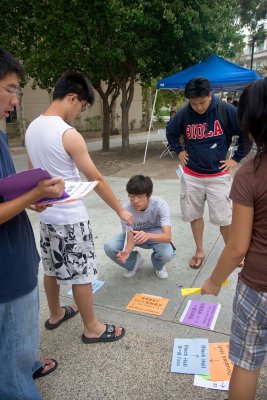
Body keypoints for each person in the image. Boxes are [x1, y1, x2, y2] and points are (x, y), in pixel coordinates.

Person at [25, 70, 133, 344]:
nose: (80, 113)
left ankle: (55, 313)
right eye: (82, 107)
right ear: (72, 97)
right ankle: (93, 328)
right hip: (71, 218)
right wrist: (120, 209)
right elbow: (95, 178)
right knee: (82, 274)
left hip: (48, 218)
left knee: (51, 268)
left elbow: (31, 175)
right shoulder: (67, 133)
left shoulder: (32, 127)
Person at [0, 48, 64, 400]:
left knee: (16, 353)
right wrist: (33, 193)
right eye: (10, 89)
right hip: (7, 277)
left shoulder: (0, 135)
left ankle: (25, 367)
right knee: (14, 370)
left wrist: (31, 196)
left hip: (16, 263)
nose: (15, 99)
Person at [201, 77, 267, 400]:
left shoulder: (249, 174)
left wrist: (214, 281)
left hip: (259, 287)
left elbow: (237, 246)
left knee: (246, 362)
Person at [166, 76, 248, 269]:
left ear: (210, 95)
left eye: (202, 102)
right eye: (194, 103)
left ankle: (232, 252)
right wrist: (179, 151)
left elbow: (245, 132)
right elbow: (171, 131)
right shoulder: (185, 113)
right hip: (192, 176)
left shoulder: (225, 110)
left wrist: (236, 158)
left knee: (224, 219)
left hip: (218, 176)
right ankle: (199, 250)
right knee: (194, 215)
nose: (198, 107)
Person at [104, 175, 175, 279]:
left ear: (149, 195)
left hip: (155, 233)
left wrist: (147, 235)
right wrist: (127, 251)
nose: (135, 201)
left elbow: (167, 237)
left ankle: (158, 266)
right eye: (131, 196)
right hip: (134, 234)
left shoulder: (160, 204)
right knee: (110, 247)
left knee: (167, 253)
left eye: (139, 196)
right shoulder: (125, 210)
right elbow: (130, 234)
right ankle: (134, 262)